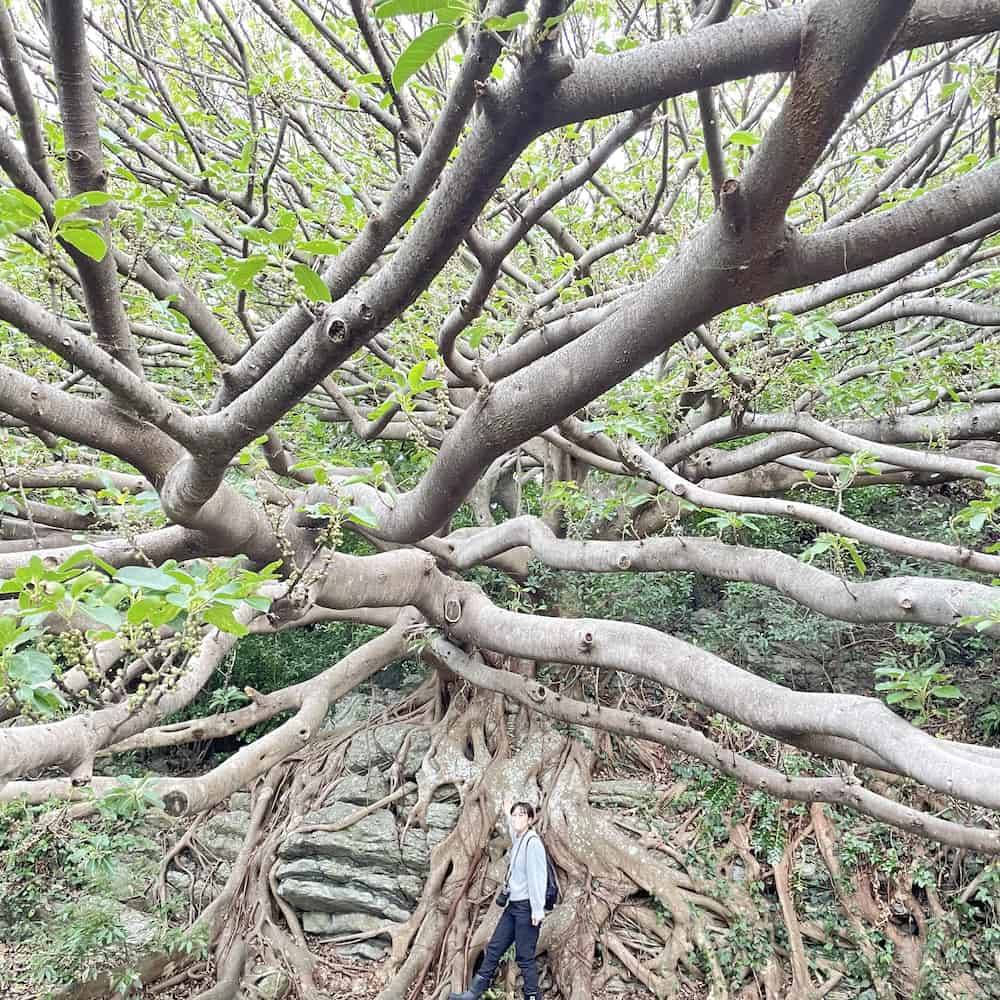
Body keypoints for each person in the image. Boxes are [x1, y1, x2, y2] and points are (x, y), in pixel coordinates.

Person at [448, 798, 547, 1000]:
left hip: (527, 909)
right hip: (513, 907)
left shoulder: (533, 843)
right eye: (515, 814)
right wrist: (505, 812)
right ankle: (474, 993)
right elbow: (512, 831)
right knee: (494, 948)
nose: (517, 818)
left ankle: (532, 996)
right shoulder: (519, 839)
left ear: (530, 819)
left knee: (525, 957)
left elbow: (538, 879)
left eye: (522, 815)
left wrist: (538, 910)